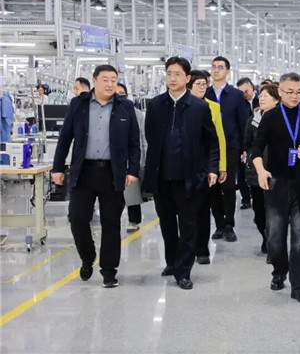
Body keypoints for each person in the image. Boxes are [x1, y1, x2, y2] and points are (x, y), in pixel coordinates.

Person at [52, 64, 140, 288]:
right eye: (105, 79)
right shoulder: (79, 104)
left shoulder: (125, 107)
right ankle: (87, 256)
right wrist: (57, 168)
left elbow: (134, 143)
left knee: (111, 223)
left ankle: (109, 271)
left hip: (113, 172)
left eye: (114, 80)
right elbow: (65, 138)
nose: (110, 84)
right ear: (94, 81)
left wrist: (132, 170)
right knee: (77, 218)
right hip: (84, 171)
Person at [144, 57, 219, 290]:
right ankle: (172, 261)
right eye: (169, 73)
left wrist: (212, 169)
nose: (172, 78)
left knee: (188, 225)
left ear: (187, 78)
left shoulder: (199, 107)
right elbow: (150, 138)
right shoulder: (155, 105)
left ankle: (184, 270)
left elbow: (211, 142)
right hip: (162, 177)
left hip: (189, 177)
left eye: (177, 74)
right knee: (167, 224)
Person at [251, 72, 300, 303]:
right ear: (280, 92)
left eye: (299, 92)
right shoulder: (270, 117)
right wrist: (261, 170)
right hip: (276, 183)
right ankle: (279, 270)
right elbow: (256, 148)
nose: (294, 96)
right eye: (289, 92)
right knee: (275, 236)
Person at [205, 56, 252, 242]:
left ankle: (229, 225)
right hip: (210, 148)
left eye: (220, 67)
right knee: (213, 187)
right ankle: (218, 225)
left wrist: (244, 147)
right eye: (214, 67)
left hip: (231, 147)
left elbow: (244, 122)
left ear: (228, 71)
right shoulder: (205, 94)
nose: (216, 70)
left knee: (228, 186)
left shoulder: (235, 95)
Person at [188, 70, 227, 265]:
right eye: (198, 84)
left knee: (203, 208)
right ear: (189, 86)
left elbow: (219, 138)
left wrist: (221, 166)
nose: (202, 88)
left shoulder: (212, 107)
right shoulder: (180, 106)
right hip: (183, 165)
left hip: (204, 166)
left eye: (205, 84)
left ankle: (202, 249)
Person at [244, 84, 281, 257]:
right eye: (261, 95)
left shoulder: (282, 120)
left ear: (277, 100)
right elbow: (247, 143)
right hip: (256, 172)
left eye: (267, 96)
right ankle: (265, 236)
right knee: (259, 210)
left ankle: (274, 243)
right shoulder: (253, 120)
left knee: (274, 210)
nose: (262, 98)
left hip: (276, 171)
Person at [115, 83, 147, 233]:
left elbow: (143, 138)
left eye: (122, 93)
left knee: (132, 192)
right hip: (113, 159)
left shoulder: (137, 114)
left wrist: (143, 161)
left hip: (131, 159)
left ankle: (134, 220)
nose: (119, 96)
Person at [236, 77, 257, 210]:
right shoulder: (239, 104)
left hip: (258, 142)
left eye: (246, 91)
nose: (244, 94)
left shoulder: (261, 100)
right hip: (242, 141)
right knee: (241, 172)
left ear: (252, 88)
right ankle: (246, 199)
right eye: (241, 92)